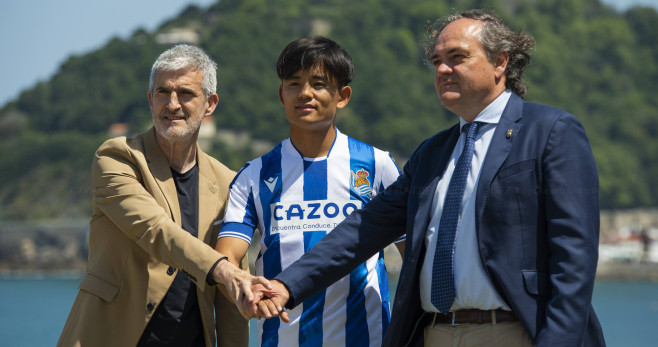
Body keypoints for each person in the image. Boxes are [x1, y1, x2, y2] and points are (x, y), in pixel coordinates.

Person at [254, 10, 606, 347]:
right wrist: (287, 285)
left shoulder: (551, 132)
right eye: (437, 60)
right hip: (434, 334)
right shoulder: (432, 153)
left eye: (456, 57)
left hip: (516, 332)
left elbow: (573, 259)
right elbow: (364, 229)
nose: (442, 68)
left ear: (500, 61)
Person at [57, 44, 270, 347]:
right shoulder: (117, 157)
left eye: (185, 93)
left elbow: (231, 297)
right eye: (162, 92)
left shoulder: (230, 183)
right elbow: (155, 230)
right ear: (149, 99)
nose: (172, 104)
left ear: (210, 104)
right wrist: (221, 269)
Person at [214, 36, 404, 347]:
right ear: (281, 94)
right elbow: (227, 258)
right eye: (294, 84)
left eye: (318, 84)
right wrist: (245, 293)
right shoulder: (253, 176)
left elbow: (412, 257)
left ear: (342, 96)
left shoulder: (377, 165)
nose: (305, 93)